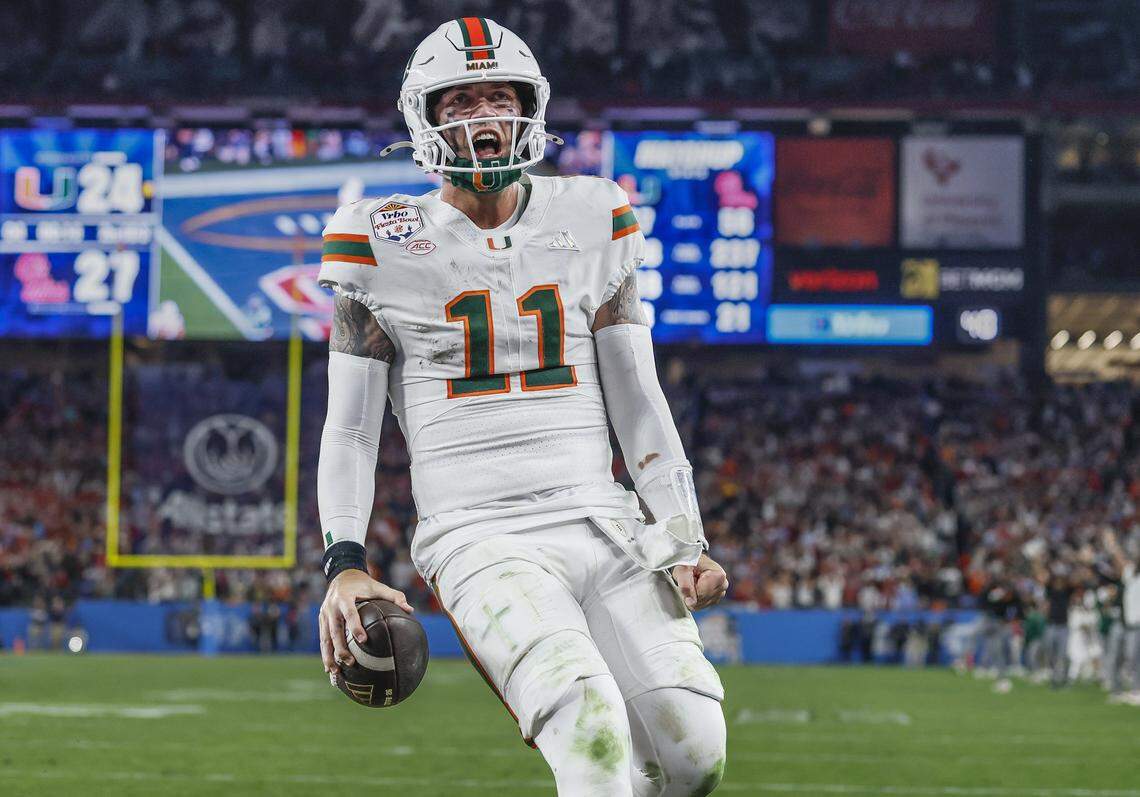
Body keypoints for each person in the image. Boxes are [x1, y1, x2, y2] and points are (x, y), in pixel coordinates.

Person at [314, 18, 728, 796]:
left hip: (600, 517)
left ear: (528, 108)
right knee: (593, 730)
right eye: (460, 100)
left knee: (694, 751)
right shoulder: (379, 236)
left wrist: (679, 532)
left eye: (497, 97)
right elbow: (351, 427)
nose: (482, 118)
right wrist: (345, 561)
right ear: (425, 118)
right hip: (479, 531)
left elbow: (639, 396)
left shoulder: (594, 213)